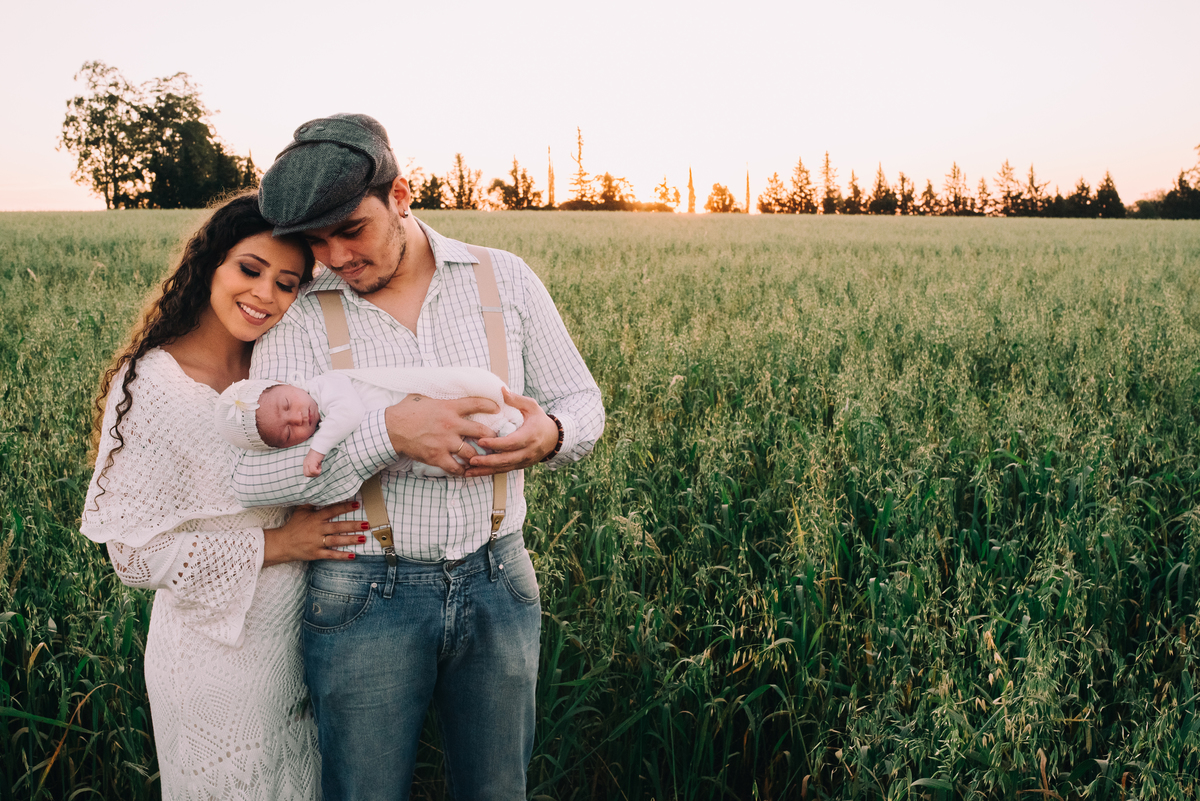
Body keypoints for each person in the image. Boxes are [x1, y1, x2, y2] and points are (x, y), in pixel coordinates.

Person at [231, 114, 605, 800]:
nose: (336, 256)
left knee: (497, 791)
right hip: (364, 593)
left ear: (402, 194)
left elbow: (582, 399)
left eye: (351, 230)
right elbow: (253, 474)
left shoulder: (505, 279)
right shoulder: (301, 311)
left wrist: (550, 434)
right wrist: (390, 433)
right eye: (316, 241)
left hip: (502, 579)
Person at [80, 191, 368, 801]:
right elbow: (134, 557)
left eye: (288, 284)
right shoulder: (153, 384)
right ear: (211, 262)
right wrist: (280, 543)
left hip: (303, 641)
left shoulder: (282, 371)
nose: (265, 295)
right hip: (212, 656)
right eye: (250, 269)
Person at [214, 365, 523, 477]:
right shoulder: (316, 422)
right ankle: (490, 449)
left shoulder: (325, 386)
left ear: (288, 383)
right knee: (432, 465)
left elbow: (349, 415)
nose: (298, 417)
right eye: (287, 433)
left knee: (470, 412)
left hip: (425, 404)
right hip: (414, 449)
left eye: (287, 404)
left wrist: (316, 450)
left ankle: (505, 427)